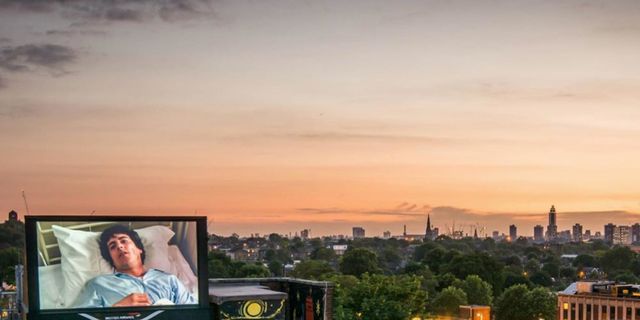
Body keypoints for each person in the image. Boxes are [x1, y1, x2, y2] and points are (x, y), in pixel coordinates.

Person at [74, 225, 196, 307]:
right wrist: (117, 309)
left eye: (124, 241)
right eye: (112, 246)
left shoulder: (169, 281)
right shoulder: (98, 285)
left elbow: (195, 315)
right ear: (111, 258)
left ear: (139, 249)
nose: (119, 246)